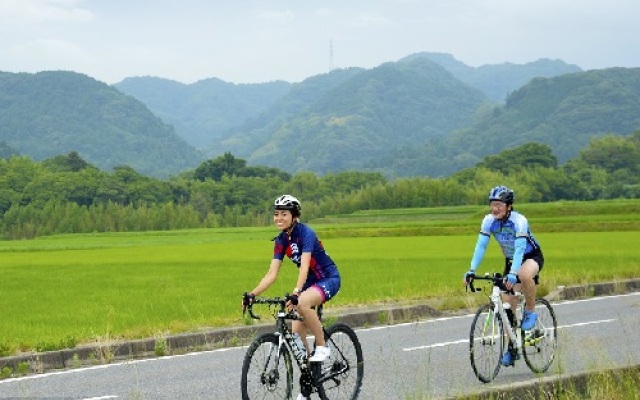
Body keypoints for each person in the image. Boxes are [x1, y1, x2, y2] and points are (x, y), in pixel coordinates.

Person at [244, 195, 341, 367]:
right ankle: (308, 384)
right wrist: (252, 294)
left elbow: (304, 266)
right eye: (276, 214)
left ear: (294, 216)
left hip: (327, 278)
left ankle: (322, 346)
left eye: (284, 214)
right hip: (310, 284)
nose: (278, 218)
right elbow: (271, 275)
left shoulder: (306, 234)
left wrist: (296, 292)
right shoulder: (281, 240)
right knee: (297, 339)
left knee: (302, 304)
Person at [463, 185, 544, 366]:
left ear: (509, 206)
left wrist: (514, 273)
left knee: (524, 275)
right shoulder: (488, 221)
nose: (494, 208)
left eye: (499, 204)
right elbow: (481, 245)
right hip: (510, 260)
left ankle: (531, 311)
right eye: (492, 204)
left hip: (530, 256)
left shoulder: (519, 221)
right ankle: (512, 347)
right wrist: (472, 270)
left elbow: (520, 249)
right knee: (508, 305)